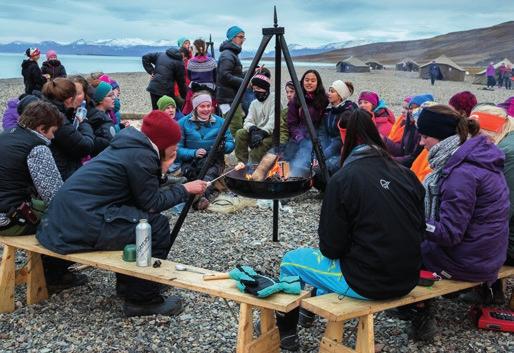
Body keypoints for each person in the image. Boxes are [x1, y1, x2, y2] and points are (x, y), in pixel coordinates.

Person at [275, 109, 425, 351]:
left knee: (292, 261)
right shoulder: (407, 175)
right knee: (335, 263)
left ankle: (287, 336)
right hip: (408, 277)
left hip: (368, 282)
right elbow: (419, 231)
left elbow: (330, 248)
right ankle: (309, 313)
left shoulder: (344, 178)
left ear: (346, 139)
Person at [36, 111, 208, 316]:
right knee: (155, 226)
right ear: (162, 144)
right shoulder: (142, 156)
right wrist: (185, 189)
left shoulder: (128, 146)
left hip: (61, 221)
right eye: (174, 144)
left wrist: (167, 176)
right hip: (78, 223)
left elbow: (137, 196)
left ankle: (128, 284)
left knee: (135, 218)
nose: (176, 149)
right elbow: (152, 203)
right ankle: (143, 298)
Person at [406, 104, 509, 341]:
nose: (421, 143)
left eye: (424, 137)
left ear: (443, 138)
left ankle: (419, 314)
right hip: (489, 253)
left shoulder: (460, 174)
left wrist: (414, 221)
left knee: (402, 247)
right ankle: (486, 294)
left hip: (470, 261)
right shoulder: (477, 156)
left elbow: (449, 234)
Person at [0, 100, 87, 290]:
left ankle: (49, 270)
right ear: (41, 128)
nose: (53, 137)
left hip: (5, 209)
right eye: (52, 131)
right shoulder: (37, 147)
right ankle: (53, 275)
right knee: (68, 220)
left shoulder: (5, 136)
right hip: (9, 219)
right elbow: (55, 195)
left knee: (44, 208)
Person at [177, 92, 235, 210]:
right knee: (191, 175)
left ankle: (198, 198)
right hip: (191, 160)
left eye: (208, 106)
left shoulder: (221, 122)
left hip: (214, 160)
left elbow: (231, 143)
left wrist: (223, 147)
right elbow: (177, 149)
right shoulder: (183, 123)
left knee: (209, 175)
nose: (206, 109)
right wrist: (193, 152)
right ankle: (200, 198)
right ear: (195, 107)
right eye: (202, 106)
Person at [42, 78, 95, 180]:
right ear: (70, 100)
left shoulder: (44, 108)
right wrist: (84, 122)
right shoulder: (57, 119)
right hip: (61, 173)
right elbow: (85, 147)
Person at [285, 69, 328, 177]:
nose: (309, 83)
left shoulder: (324, 99)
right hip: (299, 137)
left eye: (313, 80)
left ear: (318, 83)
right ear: (302, 82)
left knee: (316, 163)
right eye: (307, 80)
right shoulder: (296, 100)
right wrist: (299, 137)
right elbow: (292, 124)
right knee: (289, 158)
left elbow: (323, 123)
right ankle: (290, 179)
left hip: (318, 137)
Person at [234, 73, 276, 163]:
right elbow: (248, 121)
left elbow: (273, 121)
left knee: (260, 145)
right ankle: (242, 163)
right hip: (257, 131)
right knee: (240, 133)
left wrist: (262, 133)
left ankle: (252, 167)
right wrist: (253, 129)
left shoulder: (274, 99)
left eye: (259, 89)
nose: (256, 92)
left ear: (266, 89)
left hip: (271, 134)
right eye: (254, 89)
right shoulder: (254, 103)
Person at [384, 94, 434, 167]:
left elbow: (414, 157)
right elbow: (403, 150)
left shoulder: (424, 131)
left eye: (416, 108)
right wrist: (384, 140)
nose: (410, 111)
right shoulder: (410, 126)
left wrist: (390, 160)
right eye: (410, 108)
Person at [319, 80, 357, 175]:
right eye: (329, 90)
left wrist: (324, 154)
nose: (328, 93)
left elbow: (341, 138)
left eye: (332, 91)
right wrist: (320, 150)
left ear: (340, 95)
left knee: (327, 166)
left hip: (343, 151)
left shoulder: (347, 113)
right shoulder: (328, 112)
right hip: (329, 148)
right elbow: (322, 133)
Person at [216, 25, 245, 137]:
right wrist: (243, 82)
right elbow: (224, 75)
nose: (242, 40)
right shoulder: (227, 55)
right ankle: (232, 151)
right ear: (232, 38)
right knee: (234, 126)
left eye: (243, 37)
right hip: (228, 98)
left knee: (230, 124)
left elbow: (233, 73)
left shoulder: (231, 54)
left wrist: (248, 74)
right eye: (240, 37)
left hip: (229, 97)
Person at [182, 39, 218, 116]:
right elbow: (216, 77)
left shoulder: (190, 62)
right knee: (209, 115)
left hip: (194, 91)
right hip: (210, 92)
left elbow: (190, 76)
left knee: (193, 115)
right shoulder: (212, 61)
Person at [87, 81, 117, 156]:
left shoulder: (94, 114)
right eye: (110, 95)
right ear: (100, 99)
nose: (114, 98)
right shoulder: (100, 119)